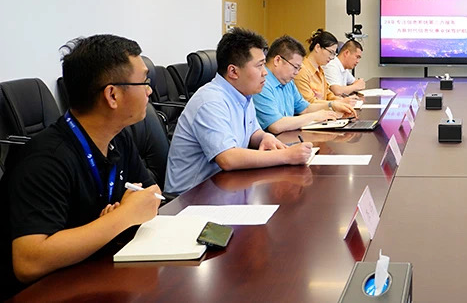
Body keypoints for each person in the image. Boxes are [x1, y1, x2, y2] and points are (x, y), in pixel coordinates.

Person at [0, 35, 162, 297]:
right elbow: (29, 262)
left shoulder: (118, 138)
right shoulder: (45, 159)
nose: (149, 90)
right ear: (112, 95)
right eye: (143, 81)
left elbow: (151, 195)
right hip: (44, 292)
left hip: (93, 272)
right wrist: (122, 217)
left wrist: (115, 219)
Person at [165, 28, 313, 195]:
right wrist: (287, 156)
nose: (265, 72)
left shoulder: (243, 94)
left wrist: (265, 137)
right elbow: (228, 158)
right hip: (191, 197)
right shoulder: (210, 101)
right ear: (233, 71)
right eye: (259, 65)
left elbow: (253, 132)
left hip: (224, 186)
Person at [254, 35, 355, 134]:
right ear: (277, 60)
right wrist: (315, 116)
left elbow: (305, 108)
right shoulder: (262, 84)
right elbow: (276, 125)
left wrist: (332, 106)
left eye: (299, 68)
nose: (297, 73)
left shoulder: (288, 82)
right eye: (295, 67)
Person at [294, 29, 356, 105]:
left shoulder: (320, 70)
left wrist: (342, 100)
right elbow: (309, 103)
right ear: (317, 47)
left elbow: (328, 94)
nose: (332, 57)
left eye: (334, 54)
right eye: (331, 52)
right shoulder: (302, 71)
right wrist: (336, 103)